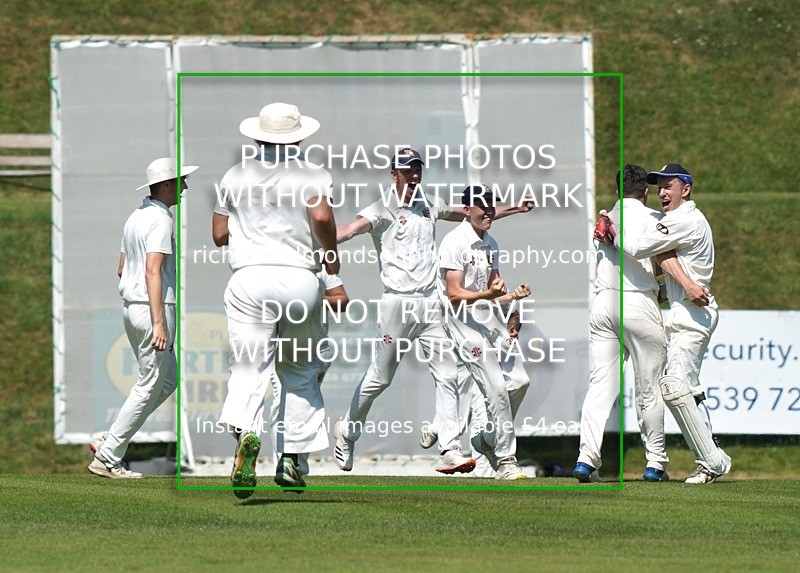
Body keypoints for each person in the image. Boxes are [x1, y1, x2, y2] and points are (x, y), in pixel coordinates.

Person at [333, 149, 531, 475]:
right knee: (379, 379)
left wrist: (514, 210)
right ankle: (348, 430)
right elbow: (348, 230)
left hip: (431, 303)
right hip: (397, 305)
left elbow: (469, 213)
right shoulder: (382, 208)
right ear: (393, 172)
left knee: (448, 375)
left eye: (417, 170)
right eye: (407, 170)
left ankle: (450, 448)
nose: (414, 176)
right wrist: (316, 238)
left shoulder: (427, 203)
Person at [212, 102, 339, 497]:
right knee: (299, 370)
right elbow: (320, 219)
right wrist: (333, 273)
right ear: (300, 136)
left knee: (250, 367)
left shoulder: (234, 175)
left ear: (256, 136)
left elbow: (218, 234)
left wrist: (253, 229)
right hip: (300, 277)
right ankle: (289, 459)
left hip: (249, 278)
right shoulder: (312, 172)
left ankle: (247, 438)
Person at [599, 163, 731, 484]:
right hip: (684, 309)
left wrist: (613, 232)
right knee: (687, 388)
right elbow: (664, 259)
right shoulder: (677, 220)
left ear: (685, 189)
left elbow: (641, 247)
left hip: (693, 312)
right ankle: (710, 456)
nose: (661, 193)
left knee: (675, 387)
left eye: (668, 186)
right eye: (657, 187)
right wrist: (668, 287)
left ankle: (711, 462)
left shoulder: (685, 220)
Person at [88, 157, 198, 479]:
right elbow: (152, 270)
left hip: (132, 308)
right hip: (153, 309)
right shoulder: (161, 220)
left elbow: (122, 267)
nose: (184, 187)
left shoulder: (136, 216)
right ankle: (108, 457)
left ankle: (112, 439)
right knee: (149, 384)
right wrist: (159, 321)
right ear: (165, 185)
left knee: (167, 380)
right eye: (180, 181)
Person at [571, 164, 674, 483]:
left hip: (604, 305)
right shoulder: (656, 219)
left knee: (600, 386)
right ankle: (655, 463)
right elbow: (662, 264)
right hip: (638, 302)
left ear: (617, 191)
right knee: (649, 388)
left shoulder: (604, 220)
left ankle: (586, 459)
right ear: (645, 192)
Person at [437, 184, 532, 480]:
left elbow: (495, 291)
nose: (488, 210)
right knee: (496, 387)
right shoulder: (455, 242)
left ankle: (487, 439)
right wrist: (488, 296)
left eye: (492, 204)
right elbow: (453, 294)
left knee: (519, 380)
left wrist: (513, 295)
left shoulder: (491, 243)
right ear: (467, 210)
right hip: (461, 321)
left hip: (484, 316)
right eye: (482, 205)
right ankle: (506, 460)